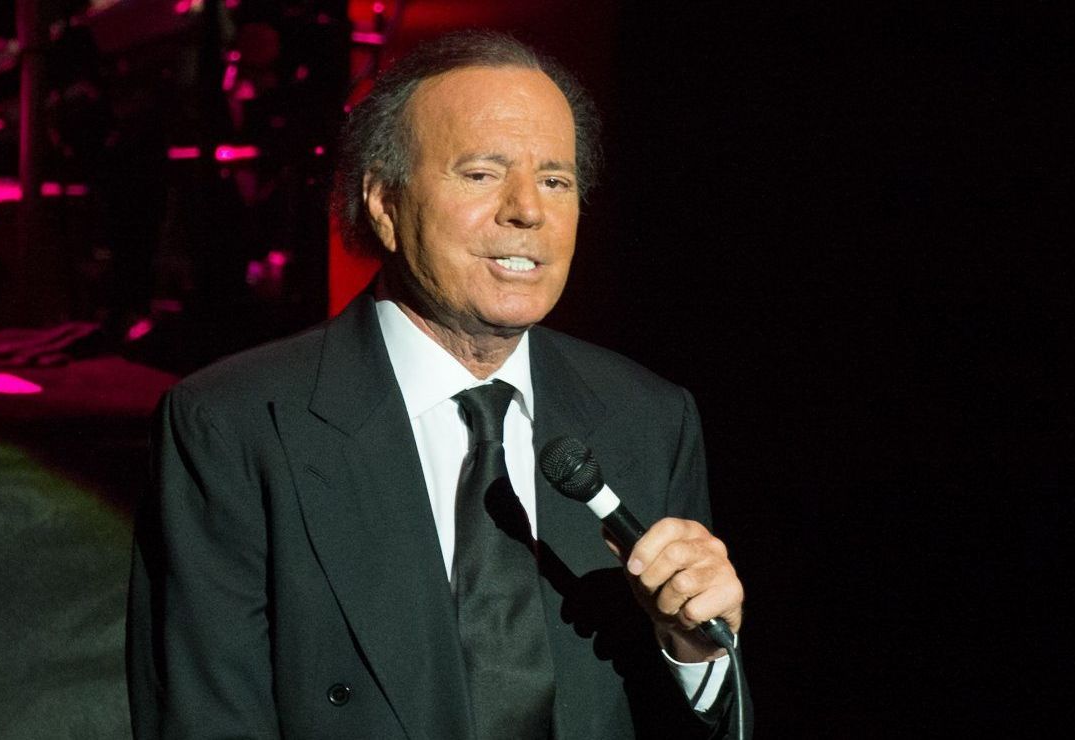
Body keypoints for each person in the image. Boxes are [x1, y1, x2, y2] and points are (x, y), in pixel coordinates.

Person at [127, 30, 750, 739]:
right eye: (482, 174)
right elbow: (205, 717)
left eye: (556, 180)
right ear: (383, 203)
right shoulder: (234, 425)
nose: (528, 210)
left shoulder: (649, 419)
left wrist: (695, 654)